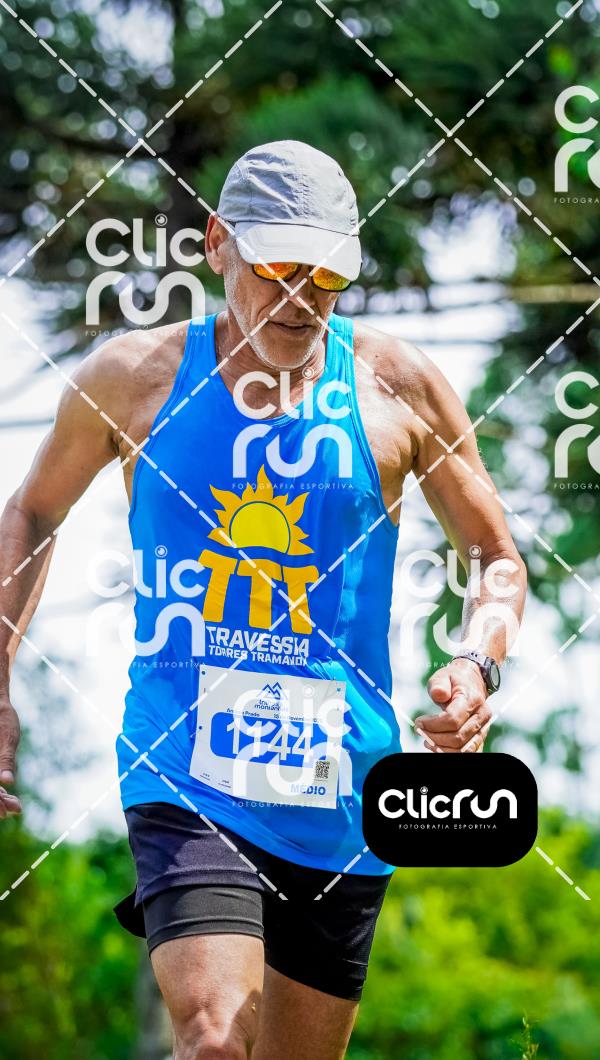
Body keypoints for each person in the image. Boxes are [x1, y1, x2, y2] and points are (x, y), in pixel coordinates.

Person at [0, 140, 526, 1059]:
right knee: (213, 1038)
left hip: (342, 787)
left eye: (327, 274)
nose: (302, 296)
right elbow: (32, 512)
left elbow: (497, 557)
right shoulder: (136, 377)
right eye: (278, 267)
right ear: (217, 243)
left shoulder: (396, 387)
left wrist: (478, 662)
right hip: (184, 767)